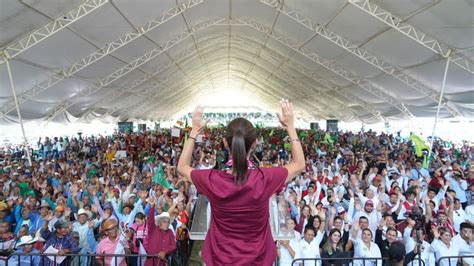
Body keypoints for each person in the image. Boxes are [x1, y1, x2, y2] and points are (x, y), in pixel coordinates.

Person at [177, 99, 305, 265]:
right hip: (257, 260)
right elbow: (299, 164)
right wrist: (290, 127)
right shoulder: (264, 179)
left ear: (225, 143)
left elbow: (182, 167)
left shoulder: (213, 180)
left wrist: (194, 131)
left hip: (220, 260)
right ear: (254, 143)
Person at [144, 199, 176, 266]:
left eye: (168, 222)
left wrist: (165, 251)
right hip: (151, 263)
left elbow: (173, 245)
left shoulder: (170, 232)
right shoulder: (153, 229)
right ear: (159, 222)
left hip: (163, 263)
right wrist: (152, 207)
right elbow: (150, 220)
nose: (166, 224)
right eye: (164, 222)